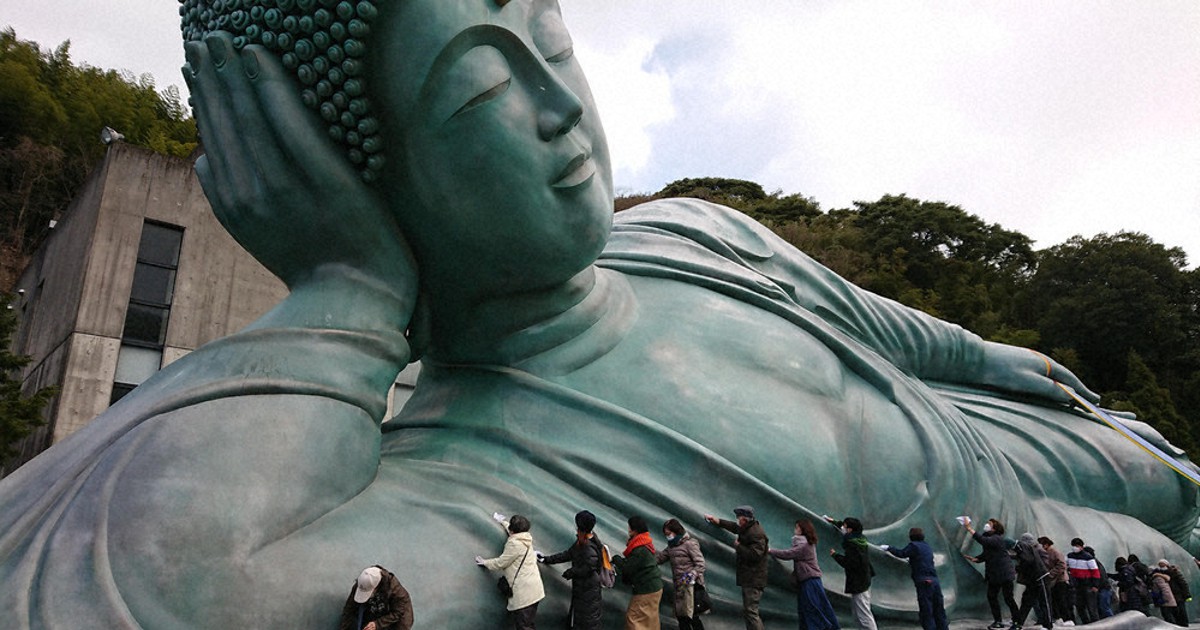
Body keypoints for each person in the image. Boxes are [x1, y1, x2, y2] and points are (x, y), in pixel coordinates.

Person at [3, 0, 1200, 627]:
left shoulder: (690, 233)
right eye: (477, 87)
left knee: (1165, 469)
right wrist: (345, 296)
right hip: (1011, 565)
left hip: (991, 436)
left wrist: (992, 351)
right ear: (363, 180)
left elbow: (893, 333)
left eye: (548, 32)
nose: (554, 103)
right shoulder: (462, 467)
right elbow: (164, 592)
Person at [476, 514, 545, 629]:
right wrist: (503, 522)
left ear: (513, 530)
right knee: (527, 624)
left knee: (524, 626)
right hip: (534, 590)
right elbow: (513, 532)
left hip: (525, 595)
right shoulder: (526, 538)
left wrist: (485, 562)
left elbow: (501, 562)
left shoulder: (514, 544)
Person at [768, 519, 840, 630]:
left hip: (810, 582)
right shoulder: (804, 543)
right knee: (807, 609)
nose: (795, 530)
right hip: (808, 581)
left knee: (812, 609)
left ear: (802, 530)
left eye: (797, 527)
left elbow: (788, 554)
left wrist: (770, 550)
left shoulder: (804, 545)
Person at [706, 506, 769, 630]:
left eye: (739, 518)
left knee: (751, 611)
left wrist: (738, 547)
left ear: (744, 520)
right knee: (749, 611)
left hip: (754, 578)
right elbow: (735, 528)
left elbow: (755, 555)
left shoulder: (756, 533)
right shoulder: (749, 528)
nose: (737, 521)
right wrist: (718, 521)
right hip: (750, 577)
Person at [540, 510, 605, 629]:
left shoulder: (587, 546)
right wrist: (547, 559)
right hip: (583, 590)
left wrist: (572, 572)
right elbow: (569, 554)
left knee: (585, 623)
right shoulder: (584, 541)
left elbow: (590, 566)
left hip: (588, 591)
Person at [881, 528, 948, 630]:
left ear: (911, 537)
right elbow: (923, 559)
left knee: (926, 610)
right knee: (938, 609)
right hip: (934, 580)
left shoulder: (913, 546)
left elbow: (902, 553)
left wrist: (889, 548)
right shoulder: (927, 546)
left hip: (924, 581)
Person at [963, 518, 1019, 629]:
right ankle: (998, 621)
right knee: (992, 596)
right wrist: (977, 559)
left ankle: (1017, 621)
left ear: (995, 528)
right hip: (995, 575)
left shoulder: (997, 538)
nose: (986, 525)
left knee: (1008, 598)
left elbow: (984, 541)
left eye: (989, 524)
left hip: (1003, 574)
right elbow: (988, 553)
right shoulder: (990, 539)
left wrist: (969, 528)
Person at [826, 516, 877, 630]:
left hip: (859, 583)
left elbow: (849, 563)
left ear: (850, 530)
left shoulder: (852, 545)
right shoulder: (860, 539)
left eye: (845, 526)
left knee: (863, 614)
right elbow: (846, 529)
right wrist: (834, 521)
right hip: (864, 580)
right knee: (858, 613)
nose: (843, 528)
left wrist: (835, 555)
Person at [612, 516, 663, 630]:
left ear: (633, 530)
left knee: (633, 618)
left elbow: (627, 568)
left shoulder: (639, 548)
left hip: (646, 589)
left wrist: (615, 558)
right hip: (655, 587)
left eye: (629, 527)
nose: (628, 530)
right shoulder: (644, 542)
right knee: (650, 620)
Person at [655, 518, 706, 630]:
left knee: (692, 616)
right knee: (682, 618)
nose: (668, 536)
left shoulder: (690, 544)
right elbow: (659, 558)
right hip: (680, 587)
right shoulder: (671, 548)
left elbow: (701, 564)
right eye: (666, 534)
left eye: (669, 534)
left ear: (676, 531)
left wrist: (692, 574)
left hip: (691, 588)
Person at [338, 565, 414, 630]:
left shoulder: (396, 591)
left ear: (376, 587)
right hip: (376, 610)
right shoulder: (363, 583)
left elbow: (397, 613)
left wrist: (378, 624)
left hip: (398, 615)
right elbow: (349, 609)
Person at [1010, 533, 1052, 630]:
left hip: (1041, 577)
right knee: (1027, 601)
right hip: (1032, 579)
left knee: (1044, 602)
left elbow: (1028, 561)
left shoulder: (1035, 549)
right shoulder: (1028, 549)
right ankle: (1019, 623)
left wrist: (1018, 568)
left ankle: (1048, 625)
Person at [1065, 537, 1100, 624]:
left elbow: (1095, 571)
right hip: (1076, 585)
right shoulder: (1070, 556)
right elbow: (1065, 566)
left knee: (1091, 607)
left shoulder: (1088, 557)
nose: (1075, 548)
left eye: (1077, 546)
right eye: (1073, 546)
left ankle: (1095, 624)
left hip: (1087, 584)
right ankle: (1086, 623)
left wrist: (1095, 585)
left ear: (1081, 547)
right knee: (1080, 607)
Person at [1038, 537, 1073, 625]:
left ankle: (1067, 619)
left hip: (1060, 580)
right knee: (1053, 601)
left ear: (1046, 544)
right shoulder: (1044, 553)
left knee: (1061, 601)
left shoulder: (1055, 552)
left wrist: (1050, 574)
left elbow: (1062, 565)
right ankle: (1058, 618)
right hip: (1051, 581)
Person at [1160, 559, 1191, 625]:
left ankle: (1184, 623)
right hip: (1172, 594)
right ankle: (1180, 623)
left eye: (1162, 564)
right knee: (1176, 610)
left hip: (1178, 594)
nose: (1161, 566)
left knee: (1181, 609)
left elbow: (1183, 583)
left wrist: (1186, 594)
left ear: (1167, 565)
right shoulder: (1163, 574)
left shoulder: (1174, 572)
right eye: (1160, 565)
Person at [1085, 546, 1113, 619]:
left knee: (1104, 608)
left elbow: (1100, 577)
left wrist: (1095, 586)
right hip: (1102, 588)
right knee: (1102, 608)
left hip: (1103, 588)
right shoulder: (1094, 562)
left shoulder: (1094, 563)